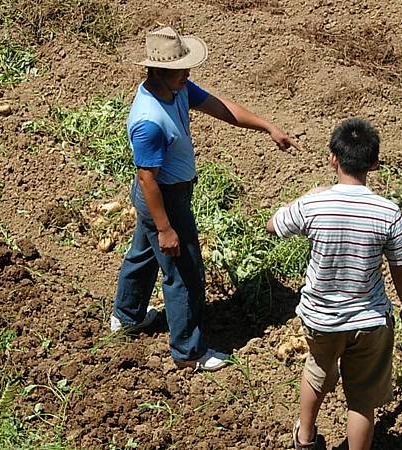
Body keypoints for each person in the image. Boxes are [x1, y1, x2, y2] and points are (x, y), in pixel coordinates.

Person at [111, 26, 300, 372]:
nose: (188, 75)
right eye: (181, 70)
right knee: (185, 272)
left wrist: (268, 127)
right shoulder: (149, 120)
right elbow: (147, 178)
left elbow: (222, 107)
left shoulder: (177, 89)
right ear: (158, 70)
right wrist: (167, 227)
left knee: (143, 255)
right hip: (164, 198)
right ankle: (188, 352)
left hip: (166, 194)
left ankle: (127, 316)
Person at [266, 118, 402, 450]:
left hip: (321, 319)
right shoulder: (387, 212)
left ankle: (305, 437)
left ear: (332, 157)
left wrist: (308, 194)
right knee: (362, 399)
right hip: (370, 321)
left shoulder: (314, 204)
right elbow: (401, 270)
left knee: (318, 369)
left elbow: (272, 226)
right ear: (374, 164)